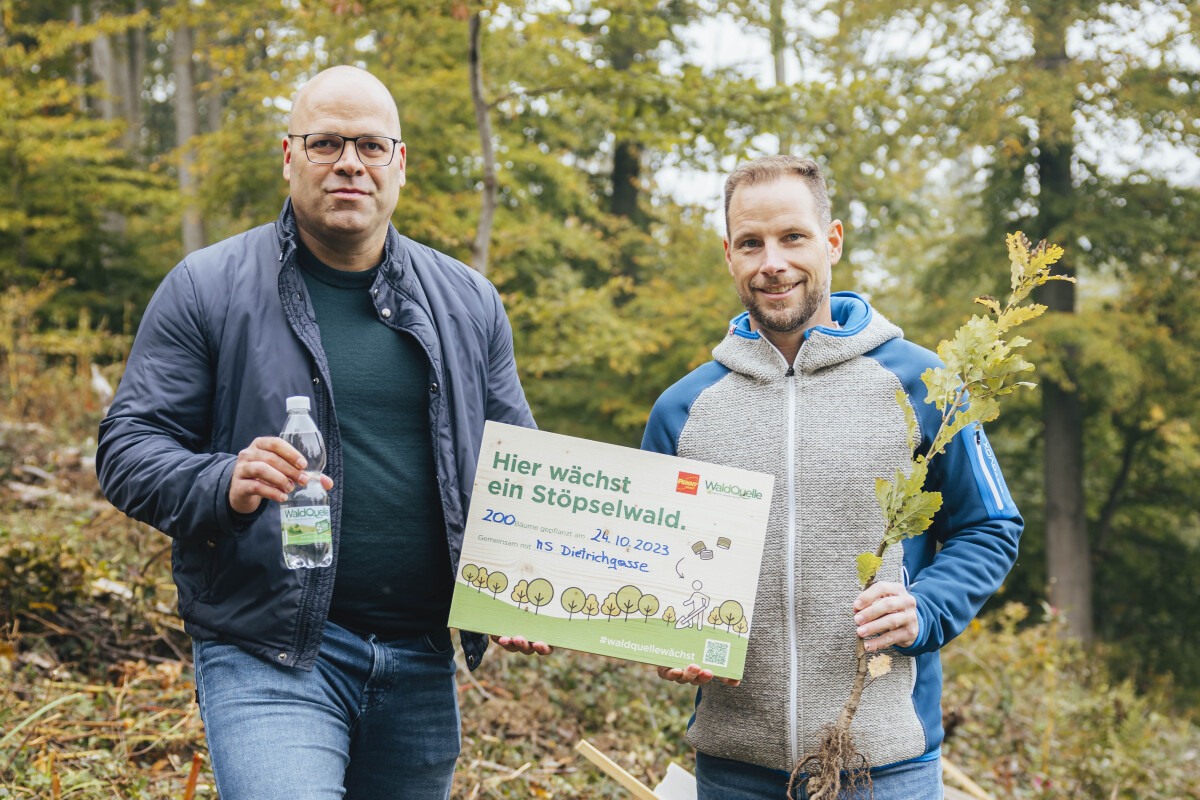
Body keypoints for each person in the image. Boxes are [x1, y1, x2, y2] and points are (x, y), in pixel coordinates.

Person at [96, 66, 548, 800]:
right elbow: (127, 447)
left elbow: (520, 469)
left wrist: (529, 590)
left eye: (370, 146)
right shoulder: (206, 286)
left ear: (399, 163)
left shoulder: (468, 302)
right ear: (288, 155)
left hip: (420, 659)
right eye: (326, 142)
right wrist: (224, 481)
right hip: (271, 652)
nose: (349, 163)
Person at [641, 155, 1022, 799]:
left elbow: (990, 526)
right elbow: (651, 561)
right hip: (735, 770)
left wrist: (925, 607)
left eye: (793, 237)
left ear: (833, 241)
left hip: (885, 765)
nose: (773, 262)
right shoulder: (683, 409)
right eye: (751, 243)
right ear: (728, 254)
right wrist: (666, 634)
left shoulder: (925, 386)